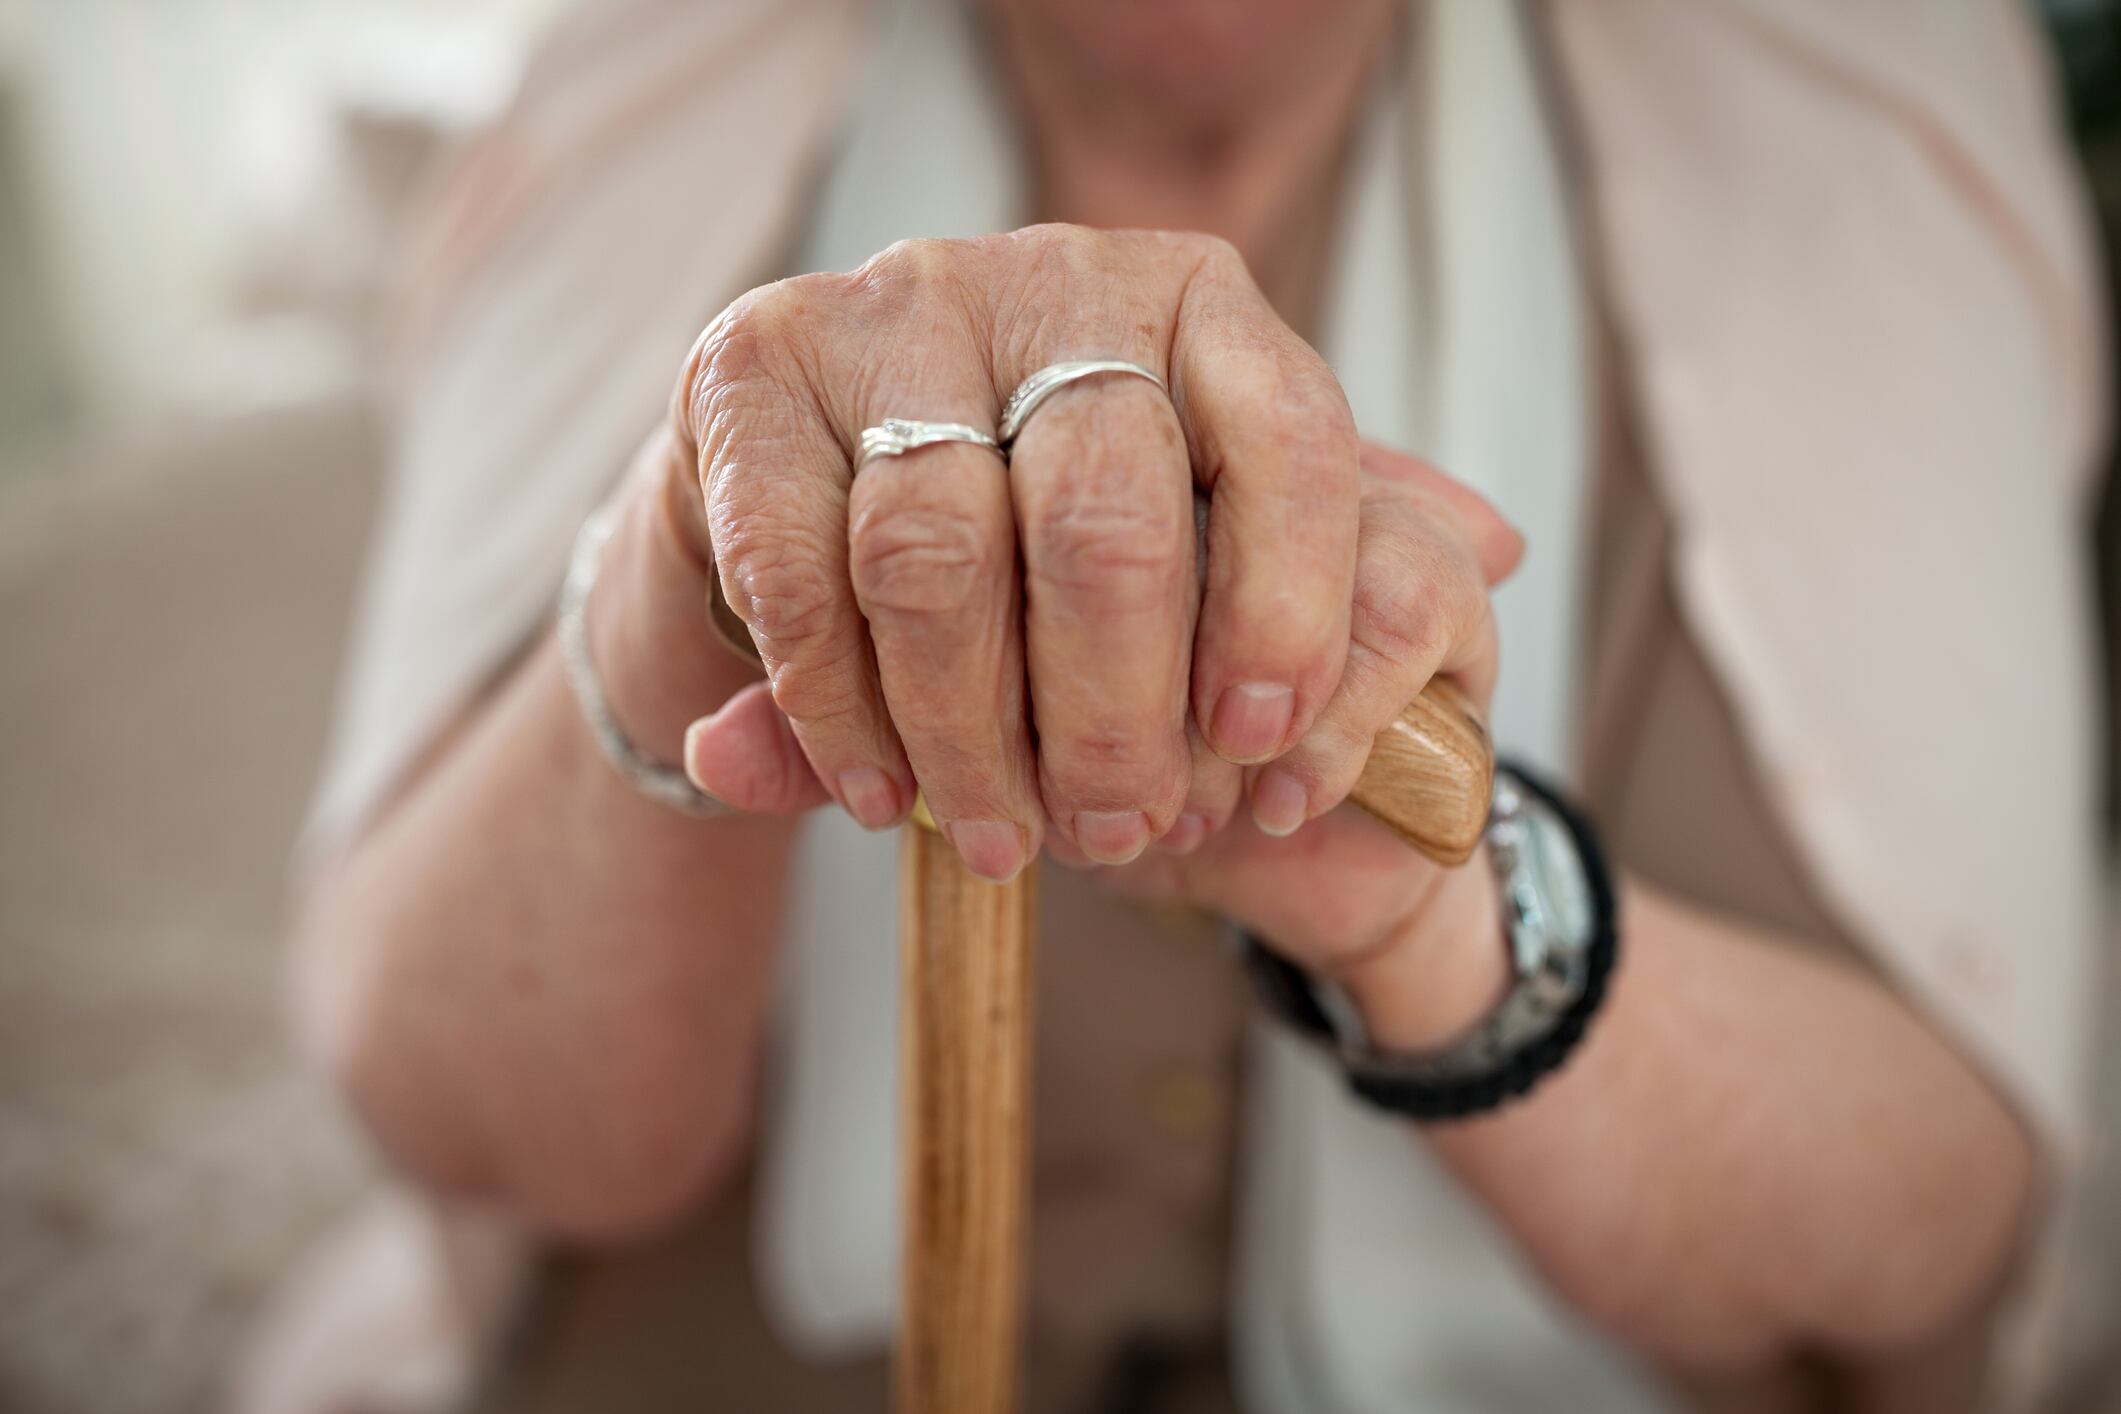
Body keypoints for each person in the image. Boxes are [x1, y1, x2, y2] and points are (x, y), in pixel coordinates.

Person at [251, 0, 2109, 1410]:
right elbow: (462, 1098)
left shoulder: (1840, 115)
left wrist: (1427, 909)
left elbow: (1939, 1210)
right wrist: (680, 568)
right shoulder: (660, 100)